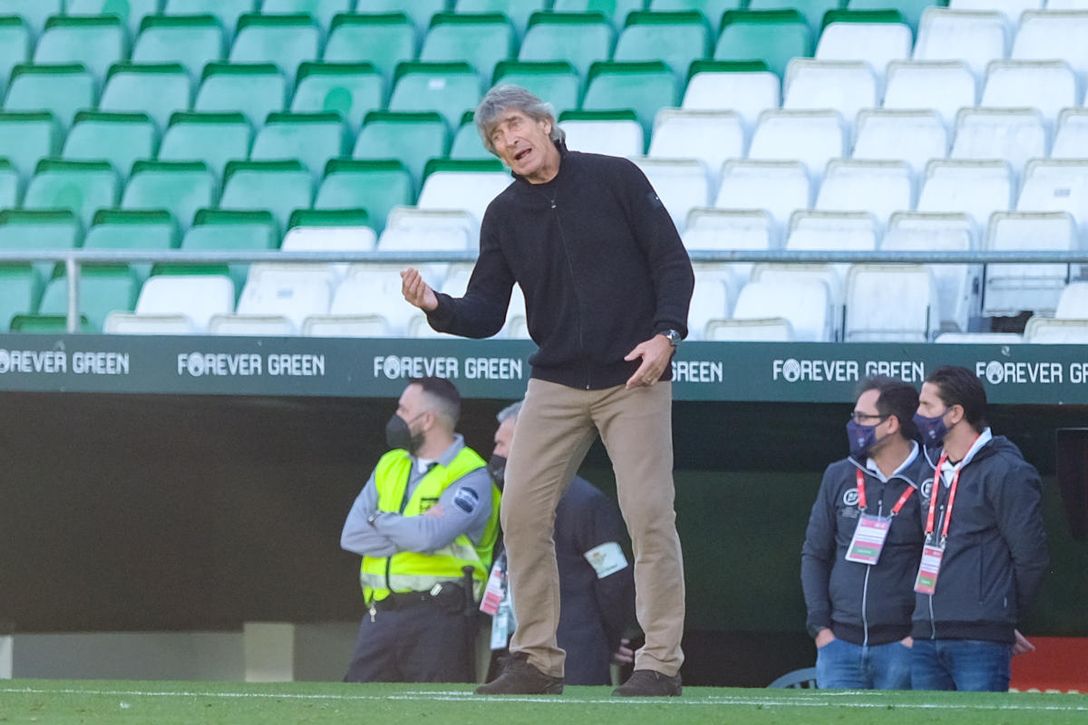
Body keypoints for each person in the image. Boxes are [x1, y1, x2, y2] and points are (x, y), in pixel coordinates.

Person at [400, 84, 694, 697]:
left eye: (513, 126)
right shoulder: (504, 213)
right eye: (495, 138)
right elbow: (483, 311)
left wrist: (667, 335)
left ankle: (659, 663)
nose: (507, 141)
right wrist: (436, 306)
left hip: (632, 375)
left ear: (544, 123)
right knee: (520, 513)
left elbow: (672, 262)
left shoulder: (615, 178)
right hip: (556, 382)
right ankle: (536, 661)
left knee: (648, 516)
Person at [340, 377, 500, 683]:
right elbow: (351, 535)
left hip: (440, 619)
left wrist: (378, 519)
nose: (395, 417)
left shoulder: (470, 473)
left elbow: (430, 537)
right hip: (380, 616)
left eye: (403, 409)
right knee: (356, 708)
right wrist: (411, 529)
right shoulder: (391, 463)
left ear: (427, 420)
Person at [910, 366, 1049, 691]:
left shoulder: (1006, 471)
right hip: (926, 634)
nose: (917, 414)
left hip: (979, 639)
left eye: (927, 406)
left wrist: (1002, 615)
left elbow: (1031, 558)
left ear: (956, 412)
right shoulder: (930, 467)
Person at [483, 401, 636, 686]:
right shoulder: (513, 501)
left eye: (503, 444)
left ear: (533, 443)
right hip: (515, 656)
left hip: (575, 657)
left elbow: (615, 577)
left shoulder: (584, 502)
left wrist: (609, 638)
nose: (496, 454)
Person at [801, 376, 927, 690]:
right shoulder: (839, 474)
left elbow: (939, 560)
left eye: (862, 418)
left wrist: (916, 634)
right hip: (838, 646)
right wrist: (820, 629)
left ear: (892, 424)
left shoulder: (930, 476)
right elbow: (815, 553)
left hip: (902, 647)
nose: (853, 424)